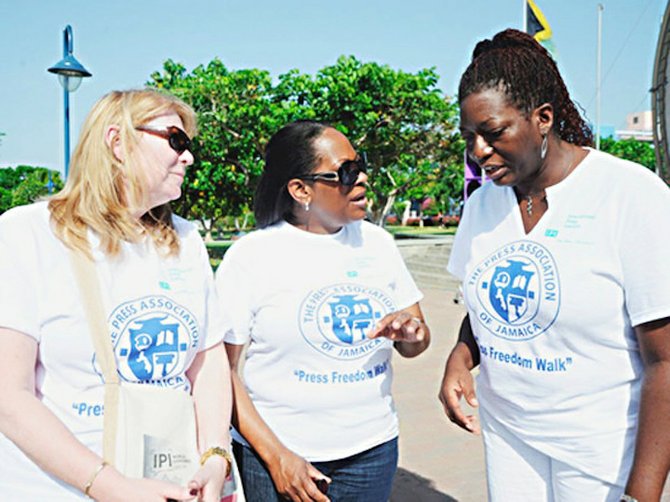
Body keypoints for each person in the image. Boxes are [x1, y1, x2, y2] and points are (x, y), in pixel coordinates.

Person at [438, 28, 670, 502]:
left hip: (600, 454)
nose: (477, 152)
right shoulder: (484, 205)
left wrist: (641, 494)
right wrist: (462, 355)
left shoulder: (629, 195)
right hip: (510, 439)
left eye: (493, 132)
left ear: (542, 118)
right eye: (469, 137)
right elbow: (485, 305)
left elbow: (666, 360)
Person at [0, 89, 233, 501]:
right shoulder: (28, 234)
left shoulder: (186, 238)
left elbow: (208, 358)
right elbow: (8, 395)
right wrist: (113, 488)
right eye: (175, 140)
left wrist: (215, 456)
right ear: (118, 142)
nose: (189, 157)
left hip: (172, 483)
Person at [216, 120, 431, 502]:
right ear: (301, 190)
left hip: (371, 452)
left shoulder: (378, 244)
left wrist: (412, 333)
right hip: (277, 457)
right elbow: (223, 372)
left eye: (360, 165)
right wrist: (277, 457)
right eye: (346, 172)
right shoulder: (251, 257)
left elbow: (417, 340)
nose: (361, 178)